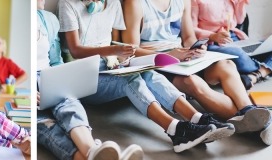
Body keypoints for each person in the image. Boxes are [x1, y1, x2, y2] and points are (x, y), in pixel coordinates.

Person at [57, 0, 233, 153]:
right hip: (83, 76)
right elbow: (76, 50)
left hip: (109, 65)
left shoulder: (112, 3)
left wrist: (124, 55)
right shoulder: (67, 4)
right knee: (130, 80)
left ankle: (197, 118)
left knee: (147, 72)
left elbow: (116, 42)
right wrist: (113, 50)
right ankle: (175, 130)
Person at [121, 0, 272, 145]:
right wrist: (170, 55)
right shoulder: (135, 3)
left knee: (226, 64)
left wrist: (197, 48)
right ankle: (260, 126)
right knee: (192, 82)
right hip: (159, 63)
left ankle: (248, 110)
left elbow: (188, 37)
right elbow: (130, 50)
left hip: (182, 56)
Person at [37, 0, 143, 159]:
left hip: (49, 79)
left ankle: (93, 150)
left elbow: (55, 60)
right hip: (32, 91)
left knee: (70, 104)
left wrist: (61, 78)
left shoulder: (48, 20)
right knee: (49, 128)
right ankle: (93, 152)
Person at [191, 0, 272, 89]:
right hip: (212, 42)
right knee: (238, 54)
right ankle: (264, 69)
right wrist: (212, 36)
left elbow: (240, 20)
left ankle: (253, 77)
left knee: (266, 45)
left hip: (235, 37)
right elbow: (190, 29)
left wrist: (240, 3)